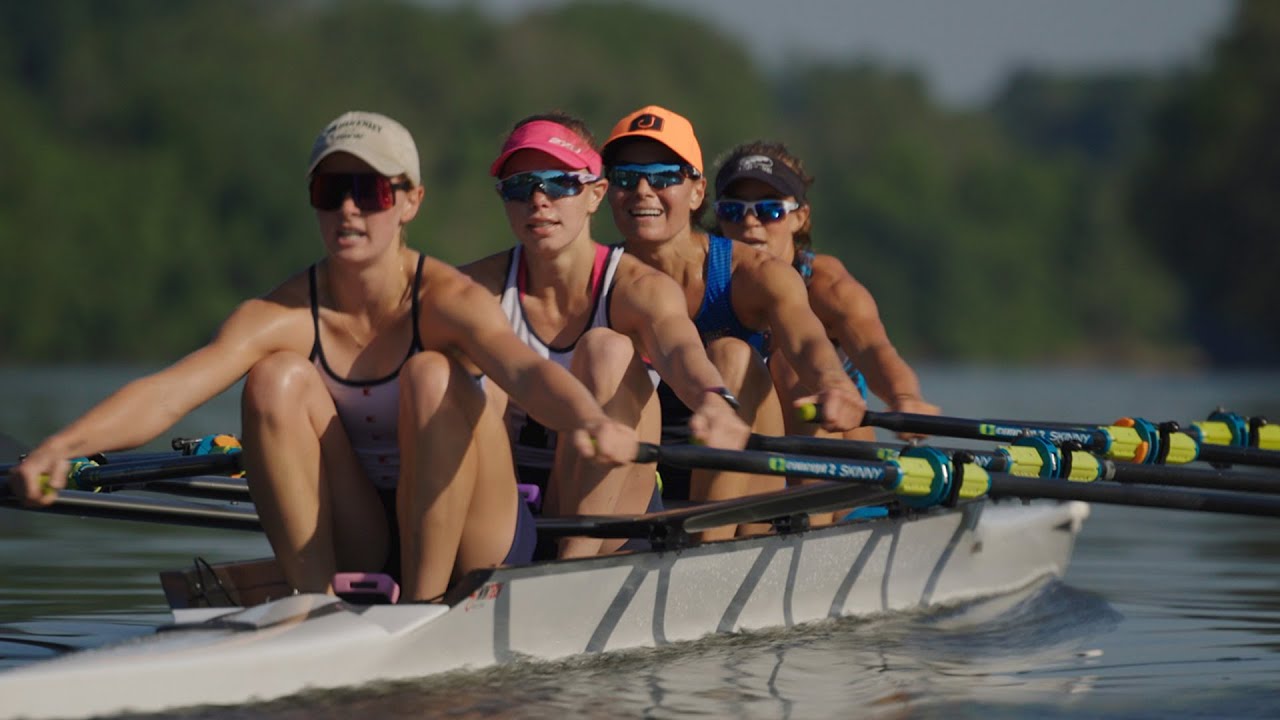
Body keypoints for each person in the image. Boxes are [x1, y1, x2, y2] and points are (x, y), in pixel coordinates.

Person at [6, 111, 638, 602]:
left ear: (411, 201)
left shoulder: (449, 300)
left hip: (475, 533)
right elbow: (169, 393)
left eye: (371, 192)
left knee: (430, 373)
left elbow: (523, 370)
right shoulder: (280, 314)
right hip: (362, 529)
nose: (349, 209)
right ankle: (310, 607)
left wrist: (588, 420)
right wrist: (63, 446)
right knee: (274, 379)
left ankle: (423, 608)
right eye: (331, 190)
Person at [461, 112, 750, 556]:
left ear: (596, 193)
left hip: (613, 509)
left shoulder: (639, 288)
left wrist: (714, 399)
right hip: (503, 502)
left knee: (607, 347)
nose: (539, 200)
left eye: (560, 183)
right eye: (521, 186)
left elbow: (678, 348)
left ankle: (570, 568)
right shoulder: (472, 288)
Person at [600, 105, 866, 537]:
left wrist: (834, 384)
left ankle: (732, 547)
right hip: (644, 480)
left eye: (665, 176)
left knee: (732, 354)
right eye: (626, 178)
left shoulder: (755, 275)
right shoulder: (595, 276)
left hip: (745, 490)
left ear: (697, 191)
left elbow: (806, 343)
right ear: (605, 192)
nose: (643, 191)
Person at [710, 141, 940, 441]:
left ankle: (807, 486)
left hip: (835, 455)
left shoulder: (826, 285)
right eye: (733, 210)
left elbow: (874, 350)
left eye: (770, 210)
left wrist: (904, 397)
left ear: (800, 217)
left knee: (791, 367)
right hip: (746, 446)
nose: (751, 222)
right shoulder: (700, 279)